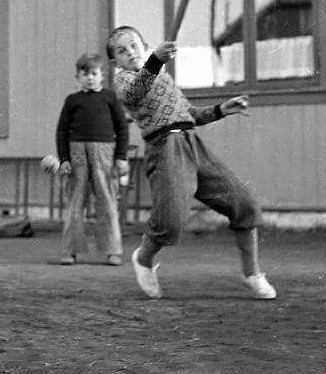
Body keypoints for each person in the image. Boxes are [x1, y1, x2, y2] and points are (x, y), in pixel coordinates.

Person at [106, 26, 276, 300]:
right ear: (115, 62)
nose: (130, 53)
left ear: (144, 45)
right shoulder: (124, 81)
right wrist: (156, 59)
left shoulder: (161, 77)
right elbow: (138, 91)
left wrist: (223, 109)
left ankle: (252, 273)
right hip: (164, 149)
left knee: (245, 204)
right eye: (122, 51)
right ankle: (144, 259)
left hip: (193, 144)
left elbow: (188, 113)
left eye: (135, 46)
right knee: (170, 223)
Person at [55, 53, 130, 266]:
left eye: (94, 74)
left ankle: (113, 250)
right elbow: (61, 132)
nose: (90, 78)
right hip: (77, 153)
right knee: (75, 202)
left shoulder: (110, 98)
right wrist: (64, 159)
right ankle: (70, 250)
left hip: (104, 154)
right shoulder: (72, 101)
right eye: (85, 74)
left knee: (107, 200)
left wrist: (121, 158)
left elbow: (122, 129)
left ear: (102, 76)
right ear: (77, 77)